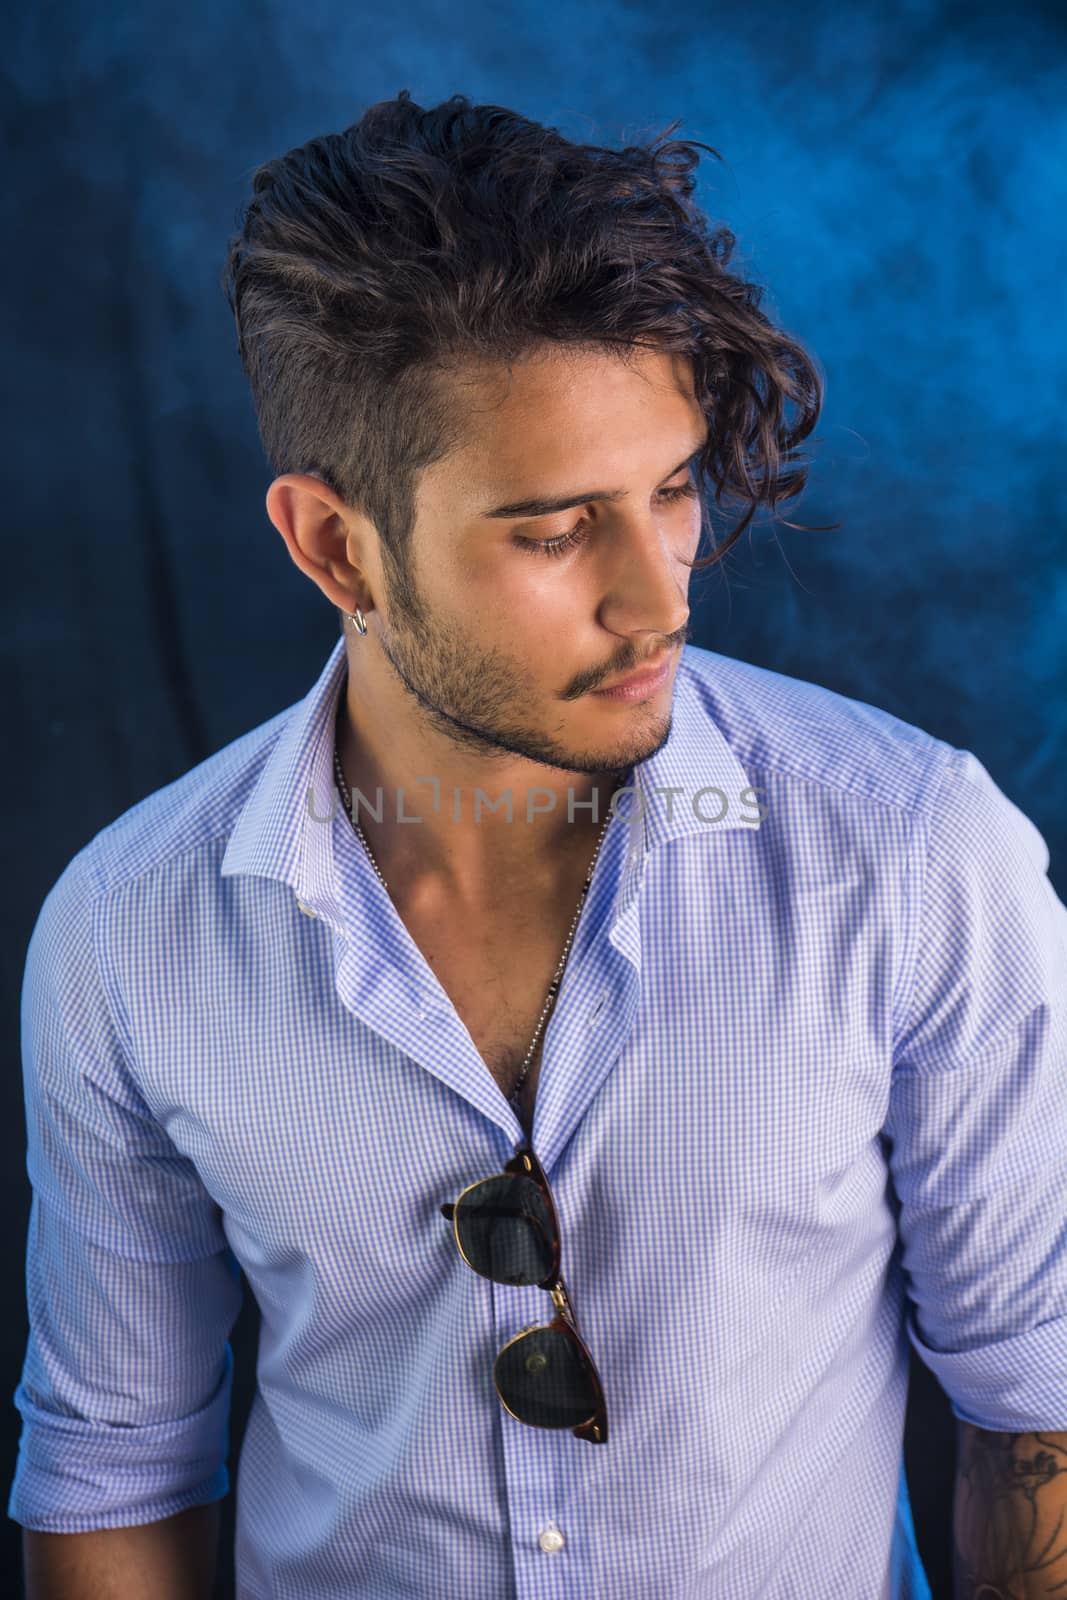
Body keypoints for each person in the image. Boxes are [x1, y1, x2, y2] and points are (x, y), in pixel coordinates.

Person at [9, 90, 1067, 1600]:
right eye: (559, 529)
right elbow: (116, 1464)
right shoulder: (129, 927)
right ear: (333, 547)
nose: (662, 600)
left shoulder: (913, 853)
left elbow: (1041, 1407)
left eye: (673, 490)